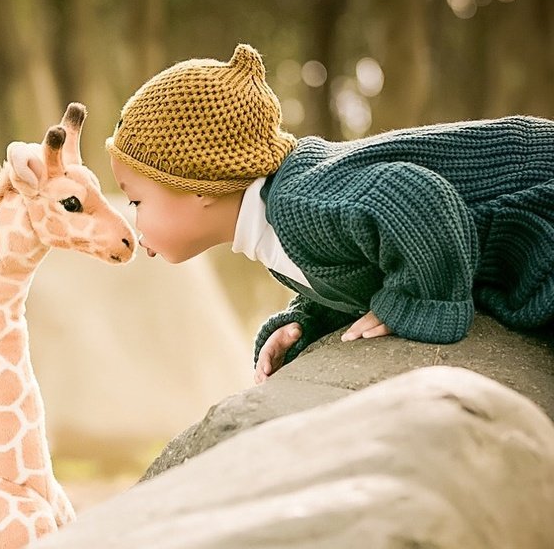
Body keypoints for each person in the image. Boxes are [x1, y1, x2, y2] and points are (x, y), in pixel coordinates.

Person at [106, 43, 554, 384]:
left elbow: (418, 198)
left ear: (197, 183)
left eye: (136, 200)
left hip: (537, 200)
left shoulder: (299, 201)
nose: (133, 221)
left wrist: (418, 303)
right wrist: (310, 320)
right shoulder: (278, 223)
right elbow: (359, 261)